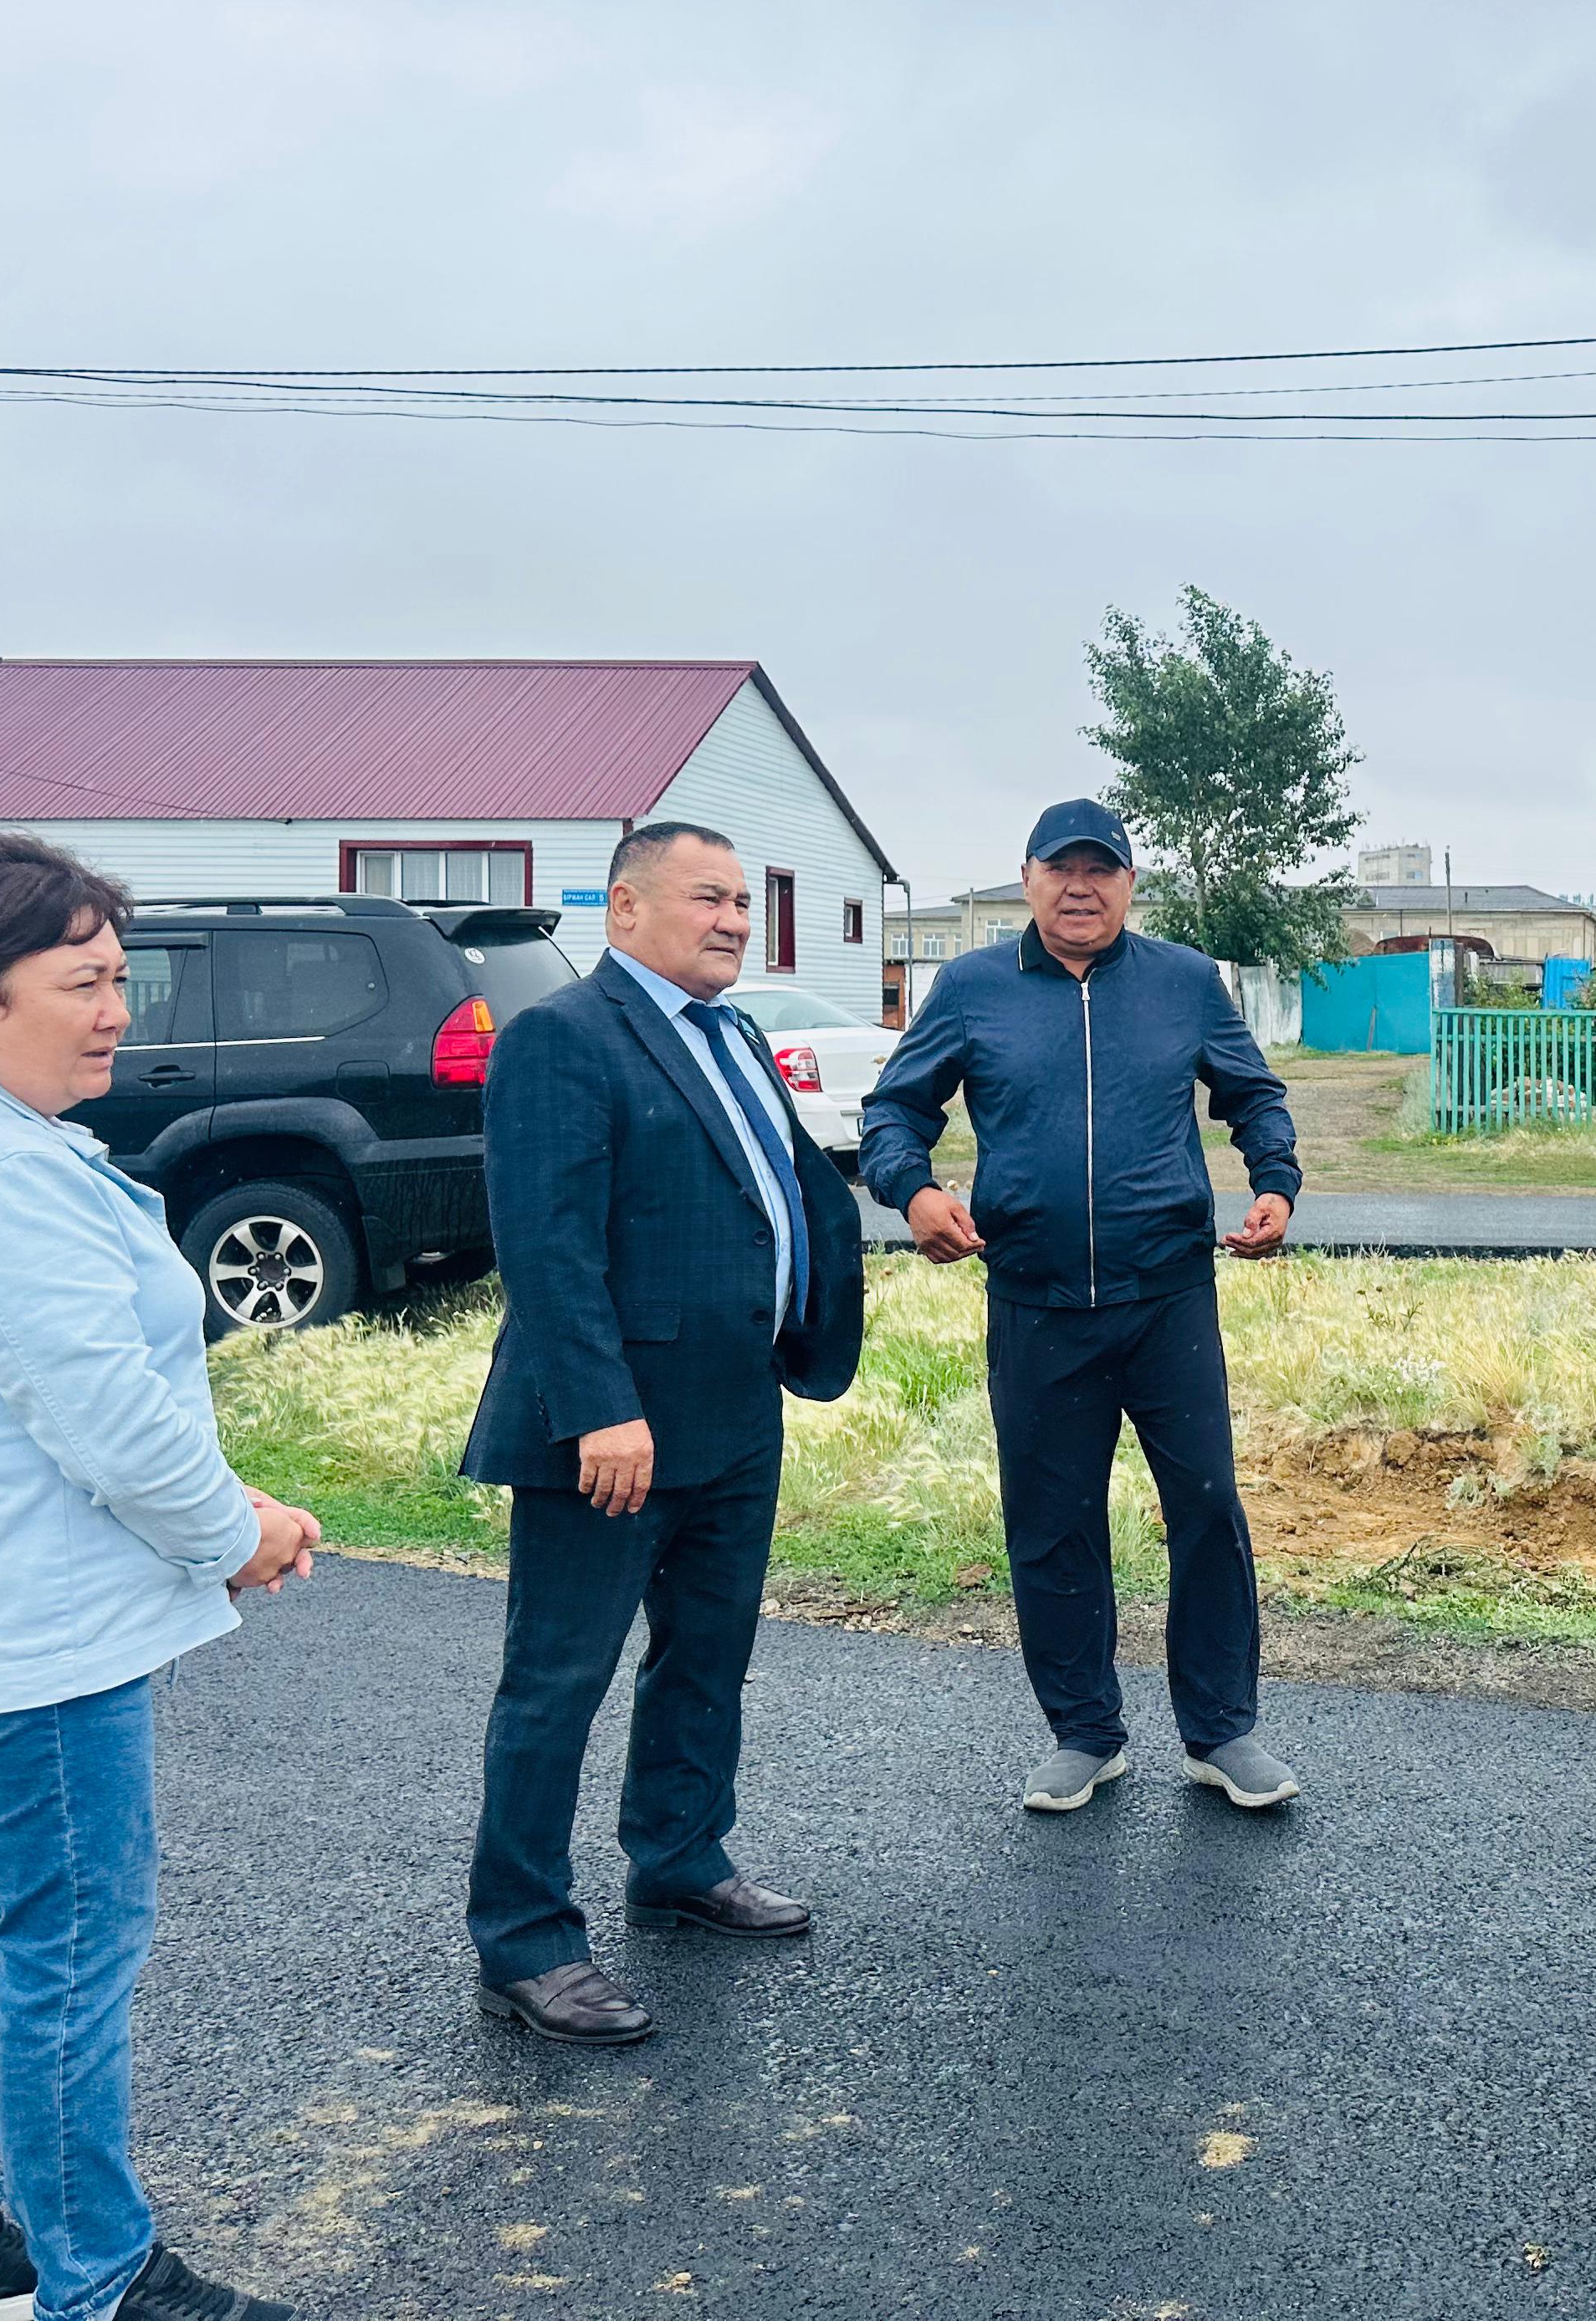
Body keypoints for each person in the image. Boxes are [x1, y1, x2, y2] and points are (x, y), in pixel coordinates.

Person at [0, 831, 320, 2321]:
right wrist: (233, 1530)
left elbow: (57, 1396)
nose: (118, 1008)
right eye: (85, 980)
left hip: (5, 1609)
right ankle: (97, 2277)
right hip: (37, 1633)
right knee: (65, 1946)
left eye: (122, 977)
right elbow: (99, 1411)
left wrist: (218, 1504)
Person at [462, 820, 865, 2046]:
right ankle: (525, 1939)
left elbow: (776, 1189)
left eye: (744, 900)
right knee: (559, 1680)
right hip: (615, 1433)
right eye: (709, 898)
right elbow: (546, 1240)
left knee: (705, 1657)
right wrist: (598, 1407)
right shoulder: (559, 1040)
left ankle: (681, 1856)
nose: (736, 919)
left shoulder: (733, 1034)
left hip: (736, 1408)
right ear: (626, 909)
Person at [859, 798, 1304, 1813]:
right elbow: (894, 1111)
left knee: (1205, 1510)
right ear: (1027, 881)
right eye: (1061, 870)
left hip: (1168, 1299)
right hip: (1036, 1301)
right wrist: (915, 1192)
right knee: (1053, 1523)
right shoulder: (972, 988)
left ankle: (1222, 1732)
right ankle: (1084, 1732)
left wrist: (1274, 1178)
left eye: (1101, 871)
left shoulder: (1184, 982)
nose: (1081, 887)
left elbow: (1253, 1093)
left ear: (1129, 886)